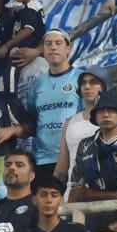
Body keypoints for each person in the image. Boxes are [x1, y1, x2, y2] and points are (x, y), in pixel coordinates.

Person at [24, 30, 83, 177]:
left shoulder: (81, 78)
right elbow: (32, 115)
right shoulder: (36, 85)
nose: (53, 47)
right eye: (48, 44)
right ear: (43, 50)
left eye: (58, 43)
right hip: (43, 159)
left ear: (68, 49)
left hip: (75, 155)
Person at [68, 92, 117, 202]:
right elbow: (76, 190)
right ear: (94, 116)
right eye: (101, 111)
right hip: (95, 213)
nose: (106, 114)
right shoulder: (85, 146)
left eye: (111, 110)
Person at [54, 69, 105, 195]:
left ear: (104, 86)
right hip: (74, 195)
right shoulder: (70, 122)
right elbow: (61, 168)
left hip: (111, 193)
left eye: (93, 82)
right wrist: (54, 193)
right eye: (84, 83)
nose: (87, 86)